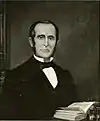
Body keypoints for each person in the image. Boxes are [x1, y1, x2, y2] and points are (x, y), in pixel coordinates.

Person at [0, 20, 78, 119]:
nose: (46, 43)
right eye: (41, 37)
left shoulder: (65, 75)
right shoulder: (15, 76)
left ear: (57, 42)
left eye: (51, 38)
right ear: (31, 42)